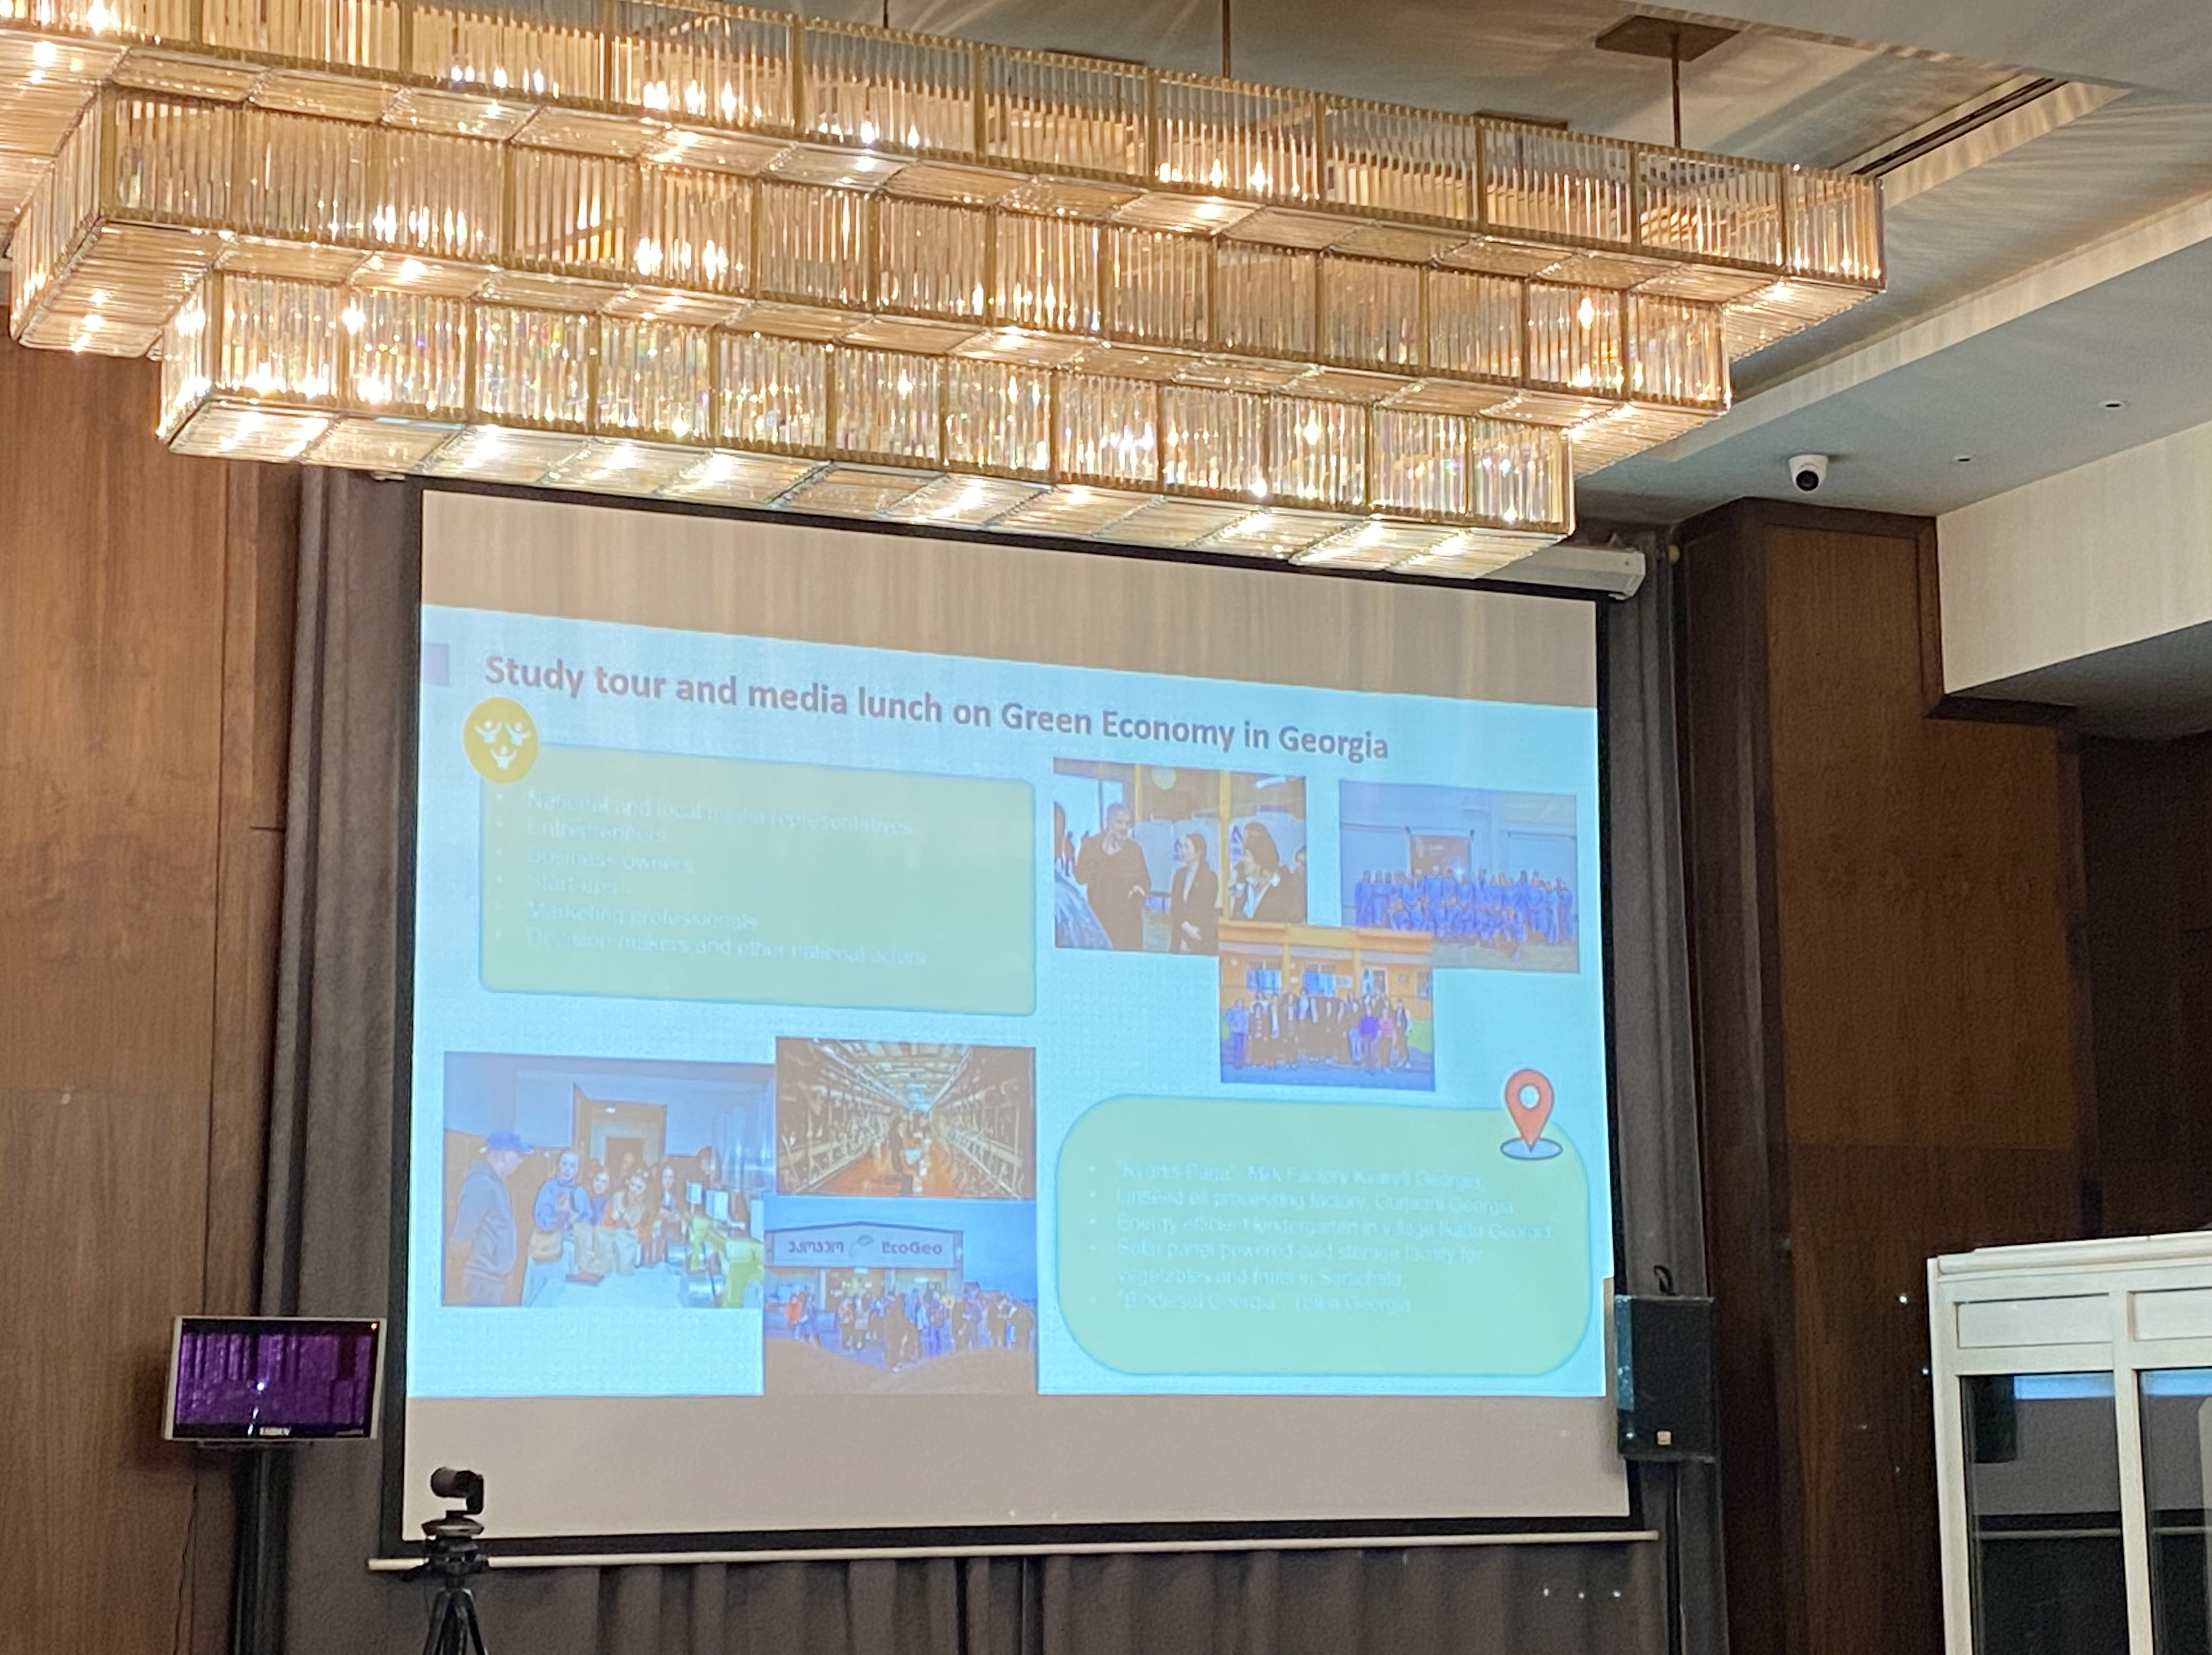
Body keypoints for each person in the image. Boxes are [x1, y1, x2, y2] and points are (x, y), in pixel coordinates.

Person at [449, 1131, 526, 1305]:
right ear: (503, 1154)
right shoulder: (481, 1184)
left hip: (493, 1279)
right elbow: (462, 1235)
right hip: (482, 1280)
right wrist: (469, 1265)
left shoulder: (497, 1185)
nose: (520, 1160)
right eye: (517, 1154)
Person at [1074, 800, 1153, 950]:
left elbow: (1146, 881)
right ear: (1109, 822)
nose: (1124, 828)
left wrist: (1139, 889)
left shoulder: (1134, 850)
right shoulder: (1091, 846)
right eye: (1120, 823)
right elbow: (1081, 877)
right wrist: (1104, 853)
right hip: (1100, 920)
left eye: (1127, 824)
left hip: (1128, 924)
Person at [524, 1149, 590, 1305]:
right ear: (558, 1165)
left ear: (578, 1169)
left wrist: (575, 1219)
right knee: (540, 1294)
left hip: (570, 1251)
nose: (568, 1169)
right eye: (565, 1164)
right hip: (547, 1248)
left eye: (572, 1166)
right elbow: (541, 1218)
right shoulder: (548, 1188)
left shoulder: (580, 1192)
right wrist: (559, 1216)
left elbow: (587, 1222)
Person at [1232, 821, 1300, 922]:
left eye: (1246, 855)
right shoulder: (1243, 886)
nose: (1242, 860)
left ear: (1259, 856)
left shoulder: (1285, 886)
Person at [1168, 832, 1219, 954]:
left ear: (1198, 852)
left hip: (1200, 937)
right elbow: (1175, 906)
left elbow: (1206, 908)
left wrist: (1191, 934)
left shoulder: (1209, 877)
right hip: (1179, 934)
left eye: (1187, 847)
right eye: (1182, 847)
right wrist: (1185, 927)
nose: (1182, 851)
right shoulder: (1179, 875)